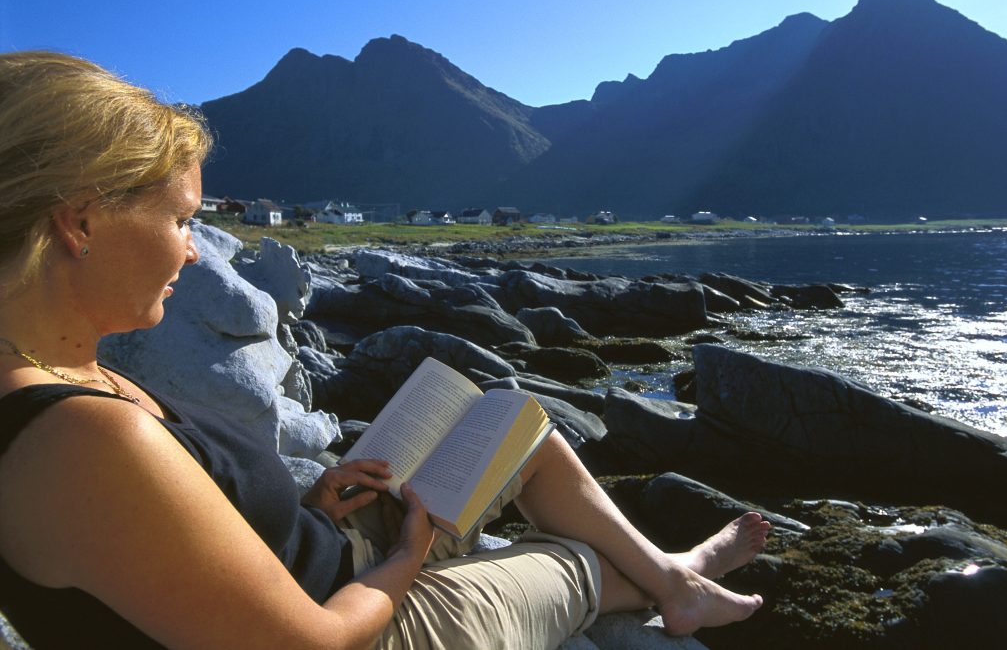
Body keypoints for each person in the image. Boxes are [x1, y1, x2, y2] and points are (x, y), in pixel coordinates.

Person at [0, 51, 769, 650]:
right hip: (377, 625)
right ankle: (680, 578)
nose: (196, 253)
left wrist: (308, 504)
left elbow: (163, 547)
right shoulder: (81, 440)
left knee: (513, 417)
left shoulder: (57, 373)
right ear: (81, 223)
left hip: (331, 553)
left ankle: (671, 573)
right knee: (579, 564)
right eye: (180, 221)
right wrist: (407, 556)